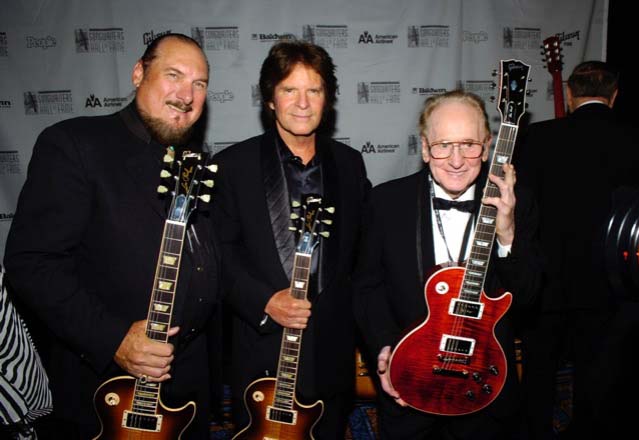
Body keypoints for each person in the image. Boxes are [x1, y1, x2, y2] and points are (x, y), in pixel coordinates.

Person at [3, 33, 221, 439]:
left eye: (200, 84)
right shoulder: (76, 144)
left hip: (187, 393)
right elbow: (30, 262)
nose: (187, 95)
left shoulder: (193, 162)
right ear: (139, 73)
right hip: (105, 393)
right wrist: (115, 339)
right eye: (173, 75)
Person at [353, 90, 542, 439]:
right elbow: (367, 289)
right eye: (443, 145)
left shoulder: (518, 202)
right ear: (425, 148)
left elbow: (529, 297)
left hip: (487, 389)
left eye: (468, 144)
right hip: (409, 383)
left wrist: (507, 235)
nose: (456, 161)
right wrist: (386, 348)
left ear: (486, 147)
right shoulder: (385, 202)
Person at [211, 39, 370, 438]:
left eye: (313, 90)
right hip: (262, 351)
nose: (302, 103)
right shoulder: (232, 166)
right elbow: (217, 254)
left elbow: (364, 251)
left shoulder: (350, 164)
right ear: (270, 99)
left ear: (327, 99)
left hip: (332, 353)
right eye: (289, 90)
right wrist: (265, 301)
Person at [514, 60, 639, 438]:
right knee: (597, 371)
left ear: (569, 95)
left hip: (546, 281)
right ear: (614, 95)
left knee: (538, 370)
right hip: (609, 282)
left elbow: (521, 207)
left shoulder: (537, 137)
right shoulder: (632, 139)